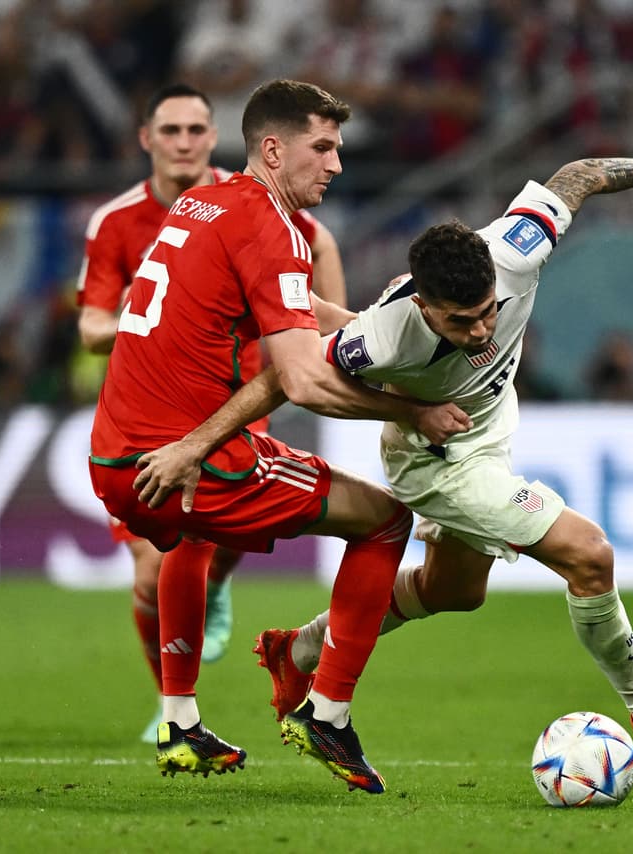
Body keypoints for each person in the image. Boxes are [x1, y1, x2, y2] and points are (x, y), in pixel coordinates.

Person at [133, 132, 633, 763]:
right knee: (590, 556)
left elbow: (580, 173)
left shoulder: (516, 249)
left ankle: (298, 651)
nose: (482, 330)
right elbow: (291, 381)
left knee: (455, 589)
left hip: (487, 431)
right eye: (460, 322)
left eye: (487, 312)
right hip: (433, 460)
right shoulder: (381, 338)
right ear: (423, 305)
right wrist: (199, 443)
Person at [87, 79, 471, 792]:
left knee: (194, 543)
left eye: (339, 149)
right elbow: (302, 382)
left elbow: (293, 304)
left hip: (116, 458)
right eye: (321, 148)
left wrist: (361, 325)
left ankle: (178, 721)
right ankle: (327, 709)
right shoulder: (272, 227)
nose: (336, 164)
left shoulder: (208, 201)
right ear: (273, 148)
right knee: (386, 521)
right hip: (193, 465)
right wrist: (411, 412)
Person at [76, 83, 348, 744]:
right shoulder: (117, 222)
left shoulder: (242, 199)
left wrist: (355, 323)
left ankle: (182, 706)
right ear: (147, 140)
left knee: (206, 545)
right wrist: (166, 320)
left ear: (214, 138)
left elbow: (318, 250)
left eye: (198, 130)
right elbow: (90, 329)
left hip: (232, 401)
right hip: (152, 410)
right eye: (171, 131)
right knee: (157, 564)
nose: (186, 143)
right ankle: (170, 702)